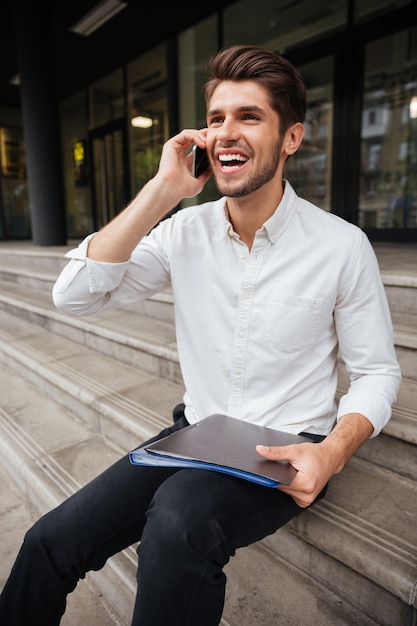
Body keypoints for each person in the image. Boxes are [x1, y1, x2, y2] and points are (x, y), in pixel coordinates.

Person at [0, 44, 401, 626]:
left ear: (291, 138)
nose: (226, 134)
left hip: (283, 450)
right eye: (216, 119)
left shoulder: (341, 246)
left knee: (177, 522)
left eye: (250, 116)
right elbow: (75, 294)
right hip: (197, 434)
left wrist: (330, 454)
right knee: (48, 542)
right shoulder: (183, 231)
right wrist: (164, 191)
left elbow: (378, 371)